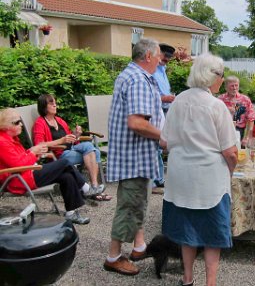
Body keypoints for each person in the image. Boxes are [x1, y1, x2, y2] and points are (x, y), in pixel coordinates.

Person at [160, 53, 238, 286]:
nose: (222, 81)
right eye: (221, 76)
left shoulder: (179, 101)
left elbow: (164, 141)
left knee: (188, 231)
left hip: (180, 176)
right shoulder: (216, 106)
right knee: (212, 234)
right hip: (209, 180)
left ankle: (187, 279)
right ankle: (210, 282)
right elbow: (231, 152)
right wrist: (231, 171)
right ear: (213, 76)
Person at [103, 38, 163, 276]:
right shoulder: (138, 79)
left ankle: (139, 247)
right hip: (134, 157)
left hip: (134, 156)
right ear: (148, 56)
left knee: (136, 203)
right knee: (129, 207)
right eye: (158, 56)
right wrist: (165, 136)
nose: (160, 61)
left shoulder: (131, 75)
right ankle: (114, 256)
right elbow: (137, 123)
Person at [0, 108, 91, 224]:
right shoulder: (2, 142)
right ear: (7, 125)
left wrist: (34, 152)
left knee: (66, 176)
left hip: (26, 173)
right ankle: (85, 187)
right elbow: (18, 164)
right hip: (18, 180)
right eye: (17, 122)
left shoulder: (11, 139)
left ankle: (71, 213)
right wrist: (33, 153)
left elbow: (20, 159)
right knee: (64, 163)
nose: (21, 124)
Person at [32, 94, 110, 201]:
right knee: (94, 151)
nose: (55, 105)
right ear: (43, 106)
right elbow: (39, 145)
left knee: (89, 146)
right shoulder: (40, 123)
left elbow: (70, 137)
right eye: (51, 103)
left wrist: (76, 134)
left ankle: (94, 188)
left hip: (72, 149)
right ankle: (94, 189)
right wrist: (61, 141)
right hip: (59, 156)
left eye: (55, 102)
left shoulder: (59, 121)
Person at [152, 43, 176, 190]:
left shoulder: (162, 70)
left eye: (168, 59)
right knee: (157, 145)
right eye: (164, 58)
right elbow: (151, 95)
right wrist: (163, 98)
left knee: (161, 146)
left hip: (166, 110)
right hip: (157, 110)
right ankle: (156, 179)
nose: (165, 61)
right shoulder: (152, 71)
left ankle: (159, 178)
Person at [218, 75, 255, 146]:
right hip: (223, 130)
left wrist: (247, 137)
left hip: (239, 130)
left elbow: (251, 119)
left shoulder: (245, 99)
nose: (234, 88)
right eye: (232, 86)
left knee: (237, 151)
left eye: (236, 85)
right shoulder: (220, 99)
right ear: (226, 87)